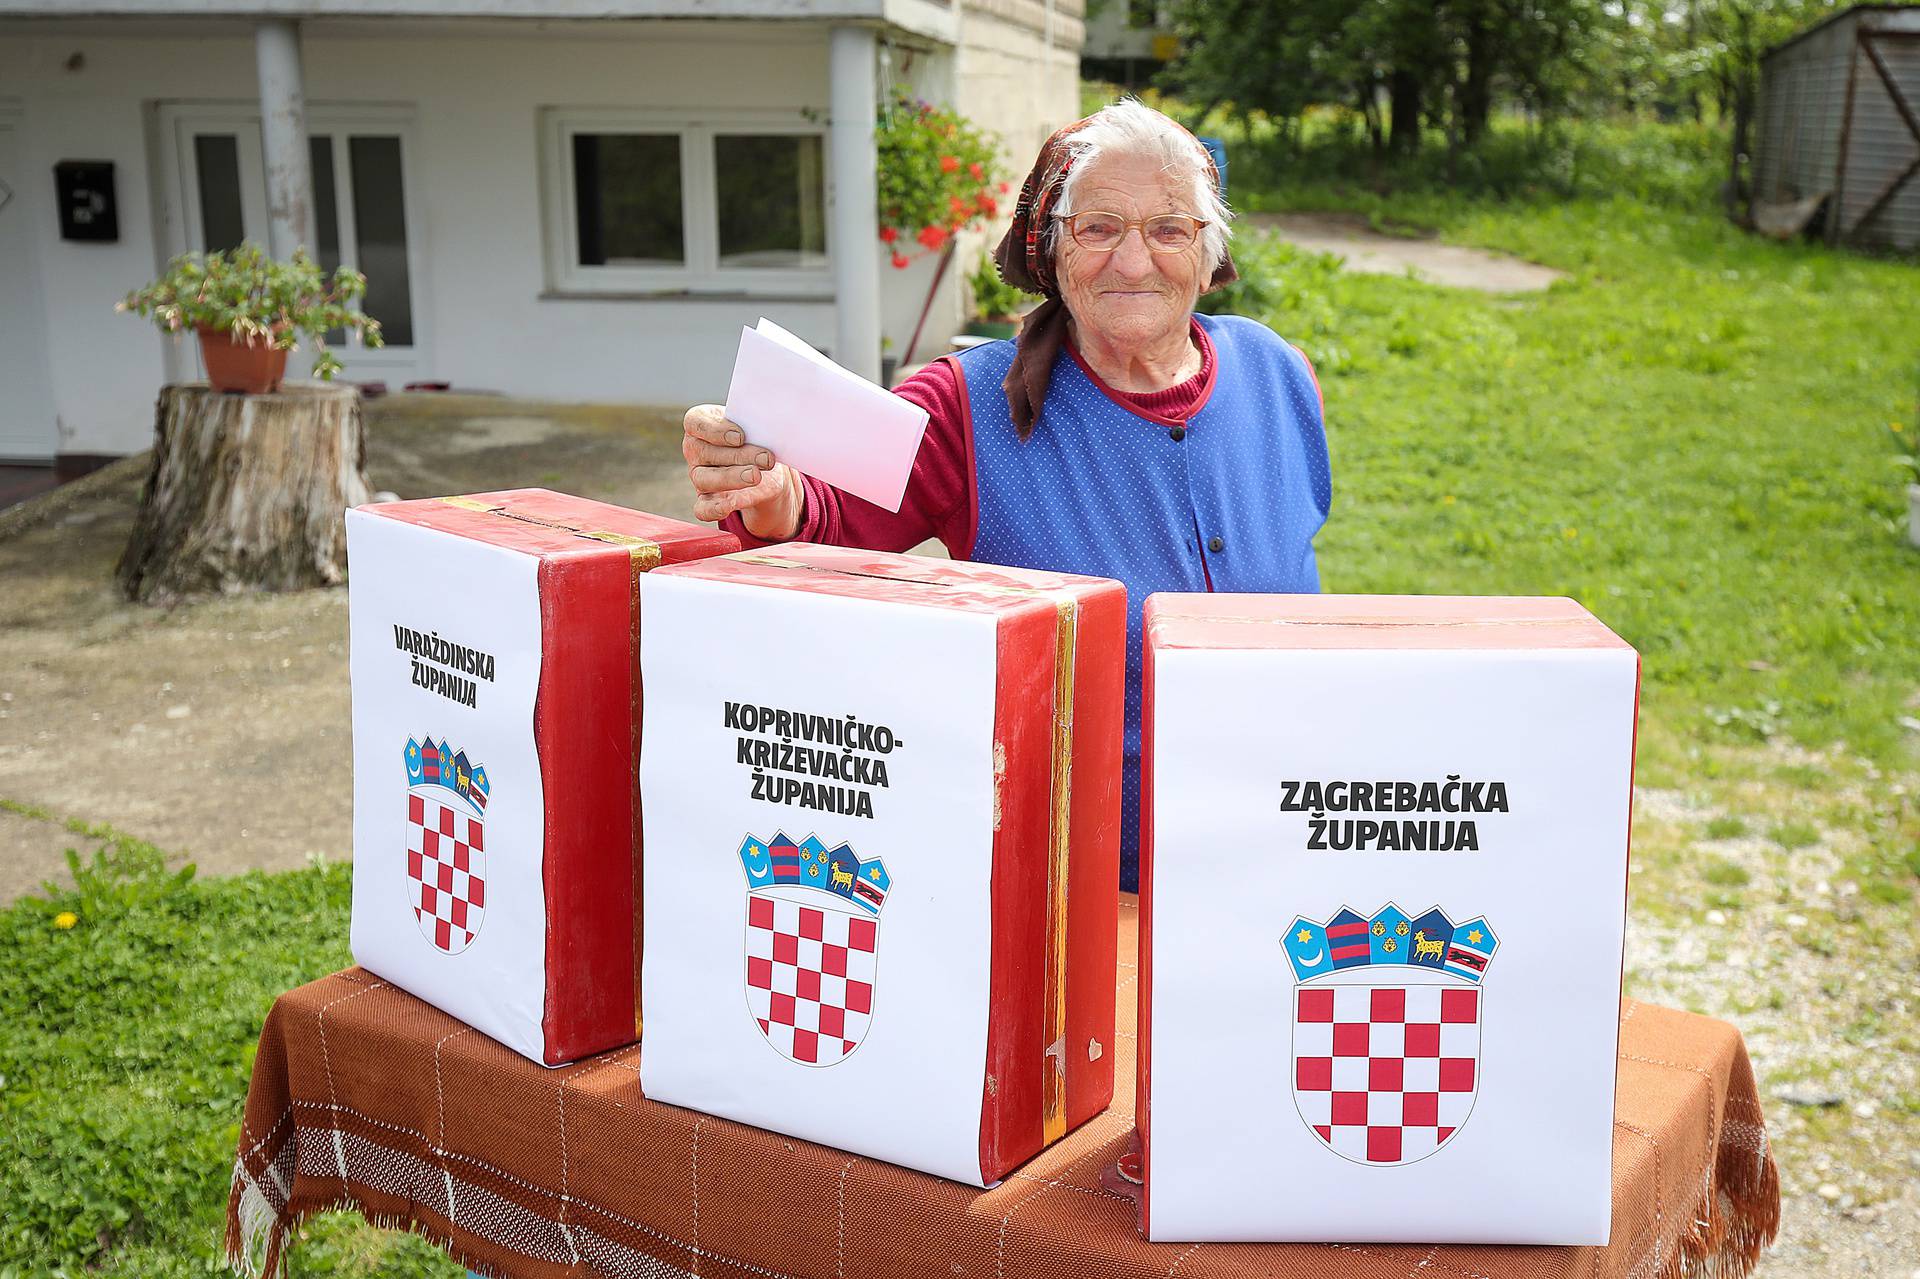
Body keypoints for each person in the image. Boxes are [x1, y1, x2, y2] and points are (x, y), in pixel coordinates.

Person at [680, 99, 1331, 891]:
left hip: (1279, 851)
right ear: (1050, 251)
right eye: (1097, 229)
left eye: (1168, 228)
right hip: (1074, 882)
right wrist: (768, 488)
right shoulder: (969, 404)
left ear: (1208, 253)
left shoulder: (1280, 375)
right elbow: (822, 515)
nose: (1134, 262)